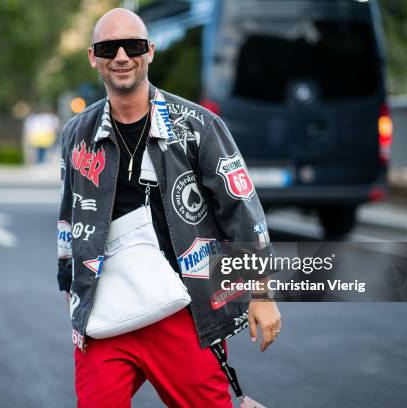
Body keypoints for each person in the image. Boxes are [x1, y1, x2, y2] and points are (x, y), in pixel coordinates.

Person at [57, 8, 281, 407]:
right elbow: (70, 215)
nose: (122, 56)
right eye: (110, 47)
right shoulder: (78, 134)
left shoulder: (197, 126)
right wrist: (69, 286)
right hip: (105, 314)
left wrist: (260, 293)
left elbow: (242, 210)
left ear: (150, 52)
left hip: (184, 310)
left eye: (134, 46)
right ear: (93, 56)